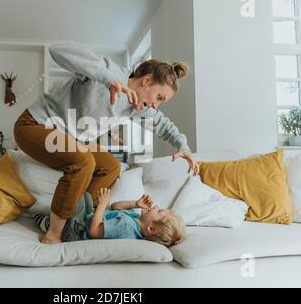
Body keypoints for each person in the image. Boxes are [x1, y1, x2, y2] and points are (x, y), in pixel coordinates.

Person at [14, 42, 199, 244]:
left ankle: (80, 221)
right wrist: (108, 79)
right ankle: (54, 234)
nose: (156, 105)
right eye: (159, 97)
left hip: (69, 140)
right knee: (84, 162)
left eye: (162, 102)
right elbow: (57, 51)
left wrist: (184, 147)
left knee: (110, 166)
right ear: (147, 80)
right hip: (35, 124)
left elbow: (164, 126)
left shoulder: (139, 107)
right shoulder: (108, 71)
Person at [33, 188, 186, 247]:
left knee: (76, 195)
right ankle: (52, 218)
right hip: (86, 219)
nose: (156, 207)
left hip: (76, 231)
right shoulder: (135, 220)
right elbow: (115, 207)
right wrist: (136, 203)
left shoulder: (127, 227)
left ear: (152, 228)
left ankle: (48, 224)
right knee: (85, 195)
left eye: (159, 212)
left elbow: (94, 231)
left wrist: (101, 204)